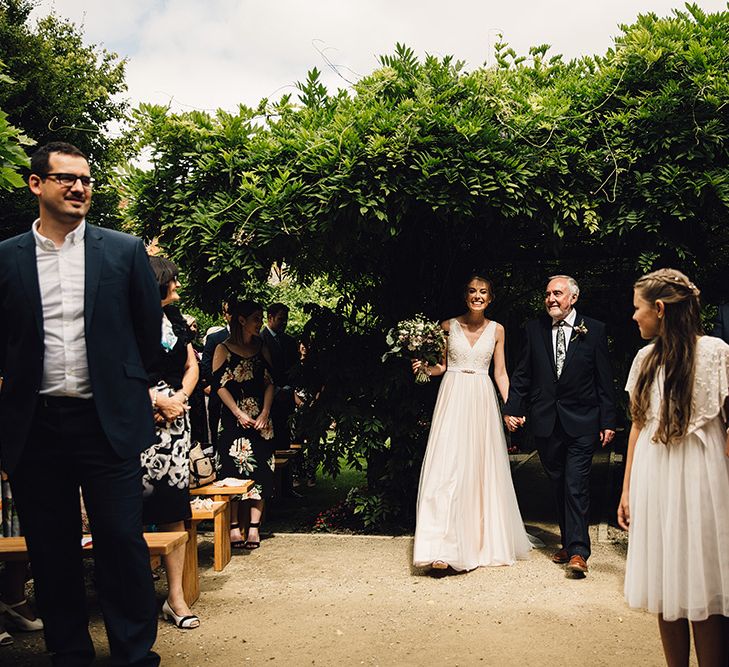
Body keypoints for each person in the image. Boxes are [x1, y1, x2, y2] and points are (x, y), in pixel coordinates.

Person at [0, 142, 161, 665]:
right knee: (52, 553)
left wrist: (127, 389)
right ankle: (69, 655)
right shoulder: (6, 259)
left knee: (122, 543)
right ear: (36, 184)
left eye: (86, 179)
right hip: (35, 428)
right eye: (66, 178)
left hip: (106, 424)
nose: (79, 188)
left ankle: (135, 655)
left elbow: (145, 331)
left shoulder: (123, 250)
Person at [618, 269, 729, 666]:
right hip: (655, 477)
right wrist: (627, 487)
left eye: (638, 308)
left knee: (705, 576)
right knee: (667, 578)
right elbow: (637, 424)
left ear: (660, 309)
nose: (634, 317)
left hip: (702, 477)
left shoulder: (715, 352)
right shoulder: (645, 358)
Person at [412, 275, 533, 571]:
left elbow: (500, 372)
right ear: (465, 296)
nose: (477, 296)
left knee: (477, 469)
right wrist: (424, 367)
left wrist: (511, 406)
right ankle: (440, 546)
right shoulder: (446, 326)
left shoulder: (498, 330)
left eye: (483, 292)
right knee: (446, 466)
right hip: (452, 397)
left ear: (490, 298)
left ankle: (477, 542)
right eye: (472, 291)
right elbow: (441, 366)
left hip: (481, 399)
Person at [503, 275, 616, 577]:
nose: (551, 299)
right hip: (546, 421)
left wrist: (608, 421)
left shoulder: (594, 330)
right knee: (558, 484)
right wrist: (512, 408)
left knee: (575, 485)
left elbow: (604, 380)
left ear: (573, 298)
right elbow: (523, 373)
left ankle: (579, 552)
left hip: (583, 422)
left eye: (557, 293)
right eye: (547, 294)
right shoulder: (534, 329)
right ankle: (569, 541)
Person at [142, 256, 200, 629]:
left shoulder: (177, 322)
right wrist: (155, 401)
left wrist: (178, 398)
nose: (177, 286)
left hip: (176, 426)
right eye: (173, 280)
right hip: (138, 419)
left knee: (172, 508)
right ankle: (132, 595)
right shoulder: (128, 321)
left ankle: (175, 598)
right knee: (130, 509)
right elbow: (116, 369)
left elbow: (192, 365)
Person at [212, 299, 275, 550]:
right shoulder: (223, 348)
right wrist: (238, 413)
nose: (260, 322)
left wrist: (266, 412)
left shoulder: (262, 347)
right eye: (256, 318)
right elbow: (219, 386)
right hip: (233, 419)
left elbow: (271, 381)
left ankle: (254, 528)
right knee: (232, 474)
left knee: (261, 471)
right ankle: (234, 527)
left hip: (261, 417)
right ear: (241, 320)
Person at [200, 300, 232, 444]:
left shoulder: (254, 340)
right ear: (225, 315)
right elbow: (206, 366)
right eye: (230, 313)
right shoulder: (215, 338)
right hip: (219, 396)